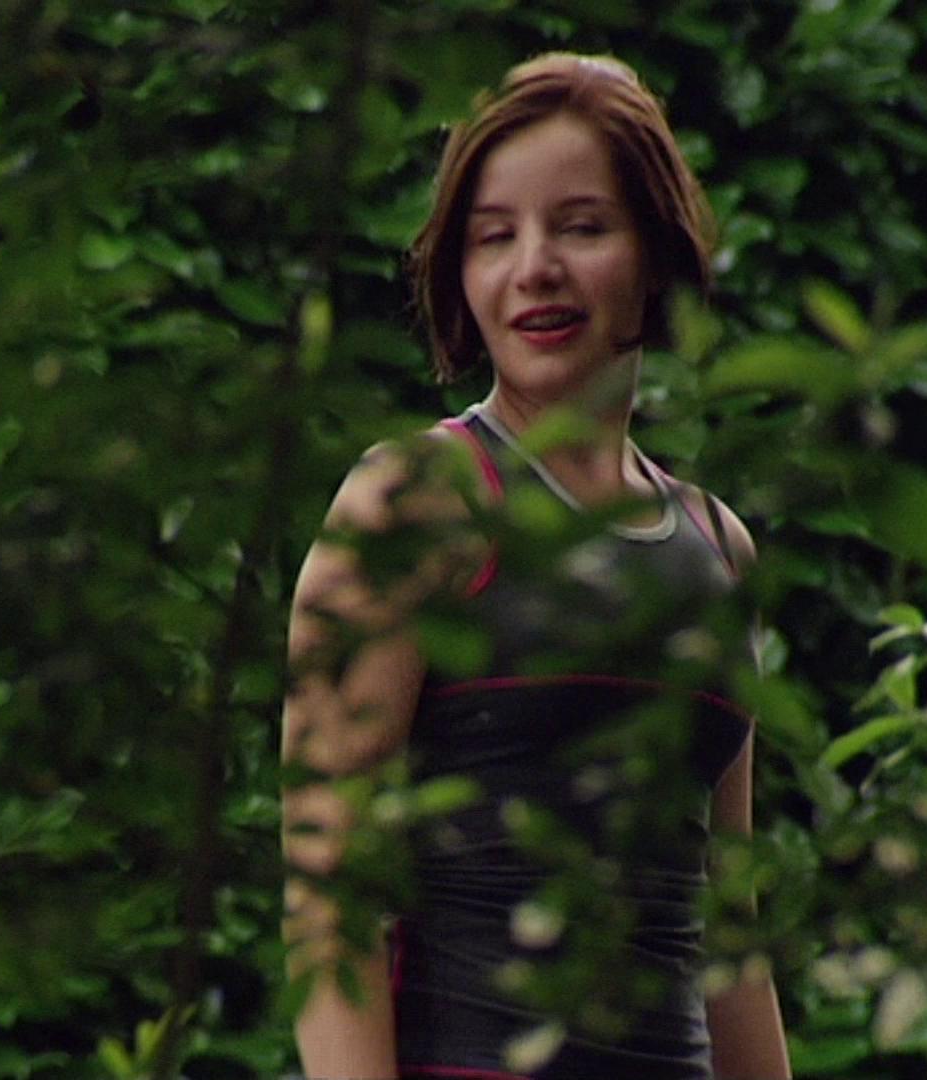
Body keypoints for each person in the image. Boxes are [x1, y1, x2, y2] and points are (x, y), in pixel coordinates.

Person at [281, 52, 793, 1080]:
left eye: (582, 227)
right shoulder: (415, 505)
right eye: (493, 237)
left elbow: (727, 927)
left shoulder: (720, 550)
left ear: (656, 252)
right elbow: (328, 901)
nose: (534, 269)